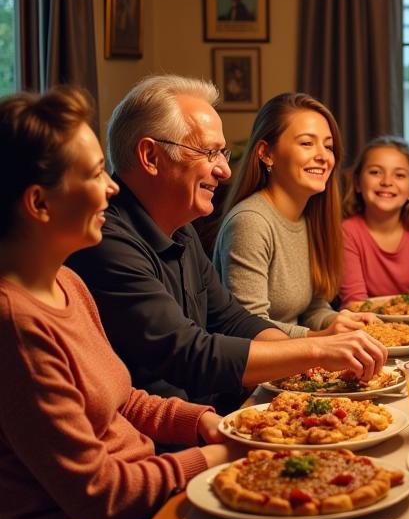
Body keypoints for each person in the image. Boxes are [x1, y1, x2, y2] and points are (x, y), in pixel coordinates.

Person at [0, 85, 388, 519]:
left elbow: (127, 399)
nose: (110, 189)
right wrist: (217, 458)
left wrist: (209, 424)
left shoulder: (67, 283)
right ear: (39, 203)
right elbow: (97, 494)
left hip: (140, 513)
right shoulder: (16, 323)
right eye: (95, 173)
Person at [68, 75, 386, 410]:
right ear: (150, 156)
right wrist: (317, 351)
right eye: (209, 152)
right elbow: (187, 353)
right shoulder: (106, 242)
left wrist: (312, 359)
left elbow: (233, 319)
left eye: (221, 153)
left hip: (210, 414)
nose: (225, 170)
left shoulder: (181, 229)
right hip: (165, 440)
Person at [214, 92, 362, 337]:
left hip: (295, 362)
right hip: (254, 368)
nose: (323, 156)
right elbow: (247, 327)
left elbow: (312, 308)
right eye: (306, 143)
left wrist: (341, 322)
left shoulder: (309, 218)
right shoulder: (250, 222)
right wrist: (321, 339)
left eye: (329, 146)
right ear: (266, 153)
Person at [340, 135, 409, 306]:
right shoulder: (346, 232)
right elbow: (355, 304)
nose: (387, 182)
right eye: (375, 172)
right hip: (361, 328)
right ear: (358, 183)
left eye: (399, 175)